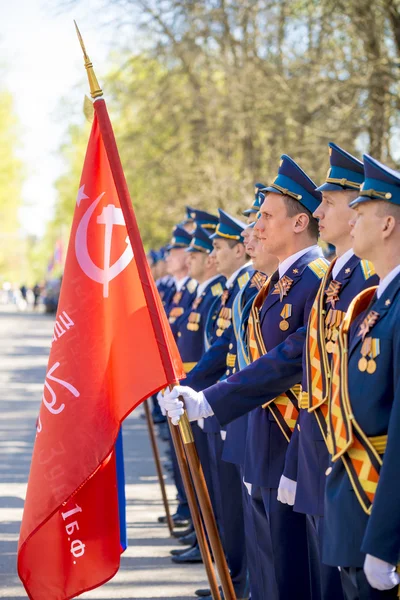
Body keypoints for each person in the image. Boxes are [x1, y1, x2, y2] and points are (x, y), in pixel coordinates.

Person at [162, 154, 328, 599]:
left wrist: (212, 398)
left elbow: (289, 360)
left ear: (298, 223)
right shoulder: (274, 281)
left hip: (289, 437)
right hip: (259, 431)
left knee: (289, 570)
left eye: (267, 216)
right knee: (266, 564)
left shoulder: (314, 278)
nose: (256, 227)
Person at [279, 143, 378, 600]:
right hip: (325, 450)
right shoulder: (335, 278)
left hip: (358, 463)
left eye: (330, 202)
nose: (319, 211)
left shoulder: (366, 279)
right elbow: (311, 374)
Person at [323, 154, 400, 599]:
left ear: (387, 225)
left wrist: (384, 540)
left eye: (362, 210)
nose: (351, 219)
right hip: (354, 507)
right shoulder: (376, 304)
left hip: (378, 514)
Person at [174, 209, 253, 598]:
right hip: (215, 402)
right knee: (223, 497)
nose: (210, 255)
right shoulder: (230, 290)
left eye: (219, 247)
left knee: (238, 507)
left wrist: (206, 396)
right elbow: (219, 346)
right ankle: (231, 575)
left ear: (239, 251)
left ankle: (238, 578)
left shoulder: (242, 288)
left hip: (233, 405)